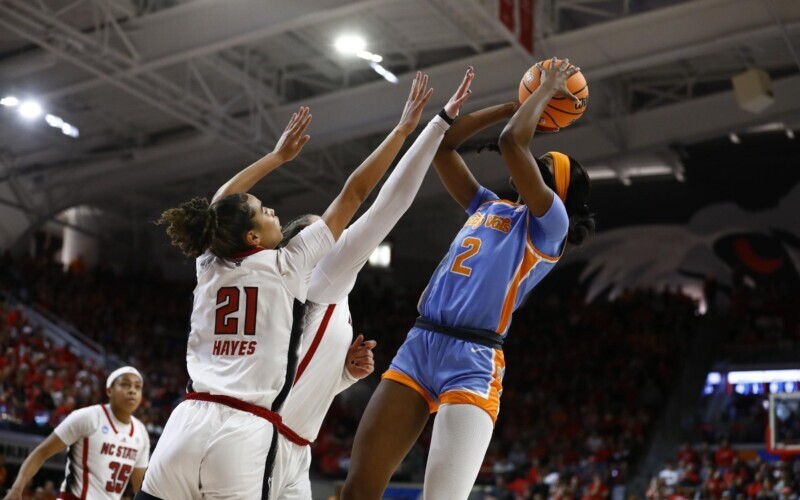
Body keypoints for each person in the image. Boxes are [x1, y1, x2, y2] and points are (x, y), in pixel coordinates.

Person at [136, 72, 435, 500]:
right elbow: (354, 193)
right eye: (263, 210)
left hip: (186, 420)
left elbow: (222, 203)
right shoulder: (288, 264)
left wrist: (276, 158)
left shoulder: (210, 264)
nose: (272, 209)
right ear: (253, 238)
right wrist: (403, 129)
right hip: (244, 431)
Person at [341, 58, 595, 499]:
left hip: (473, 361)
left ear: (560, 194)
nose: (532, 166)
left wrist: (544, 90)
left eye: (545, 168)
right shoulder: (489, 206)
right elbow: (443, 147)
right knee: (357, 490)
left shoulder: (550, 227)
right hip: (420, 344)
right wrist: (512, 103)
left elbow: (513, 142)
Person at [268, 68, 475, 499]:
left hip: (292, 447)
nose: (337, 233)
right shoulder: (318, 277)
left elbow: (295, 377)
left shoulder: (325, 295)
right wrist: (435, 125)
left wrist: (342, 373)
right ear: (305, 245)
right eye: (324, 230)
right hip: (267, 443)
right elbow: (389, 205)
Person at [4, 367, 149, 500]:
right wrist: (17, 488)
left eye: (138, 387)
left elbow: (140, 487)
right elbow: (41, 453)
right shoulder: (88, 417)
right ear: (109, 390)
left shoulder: (141, 432)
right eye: (125, 384)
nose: (132, 390)